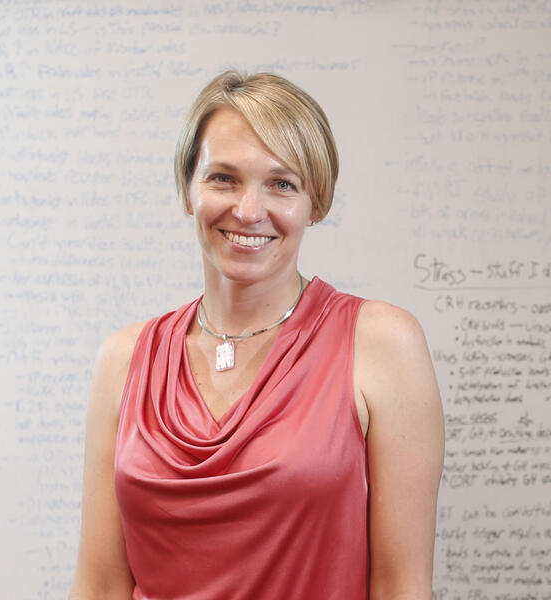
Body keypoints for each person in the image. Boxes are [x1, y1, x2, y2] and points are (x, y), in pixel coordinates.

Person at [69, 70, 445, 600]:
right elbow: (99, 585)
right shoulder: (124, 359)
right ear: (188, 191)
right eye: (223, 178)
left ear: (317, 203)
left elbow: (401, 587)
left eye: (281, 184)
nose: (248, 211)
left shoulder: (382, 343)